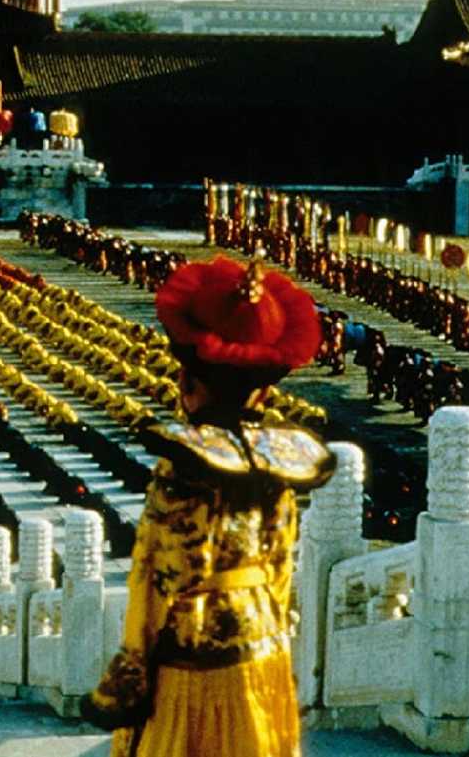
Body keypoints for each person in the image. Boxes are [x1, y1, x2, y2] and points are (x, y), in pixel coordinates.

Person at [82, 256, 333, 757]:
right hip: (262, 642)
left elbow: (156, 578)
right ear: (262, 391)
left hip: (195, 648)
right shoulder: (281, 462)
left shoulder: (183, 469)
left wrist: (130, 672)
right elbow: (282, 566)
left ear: (188, 384)